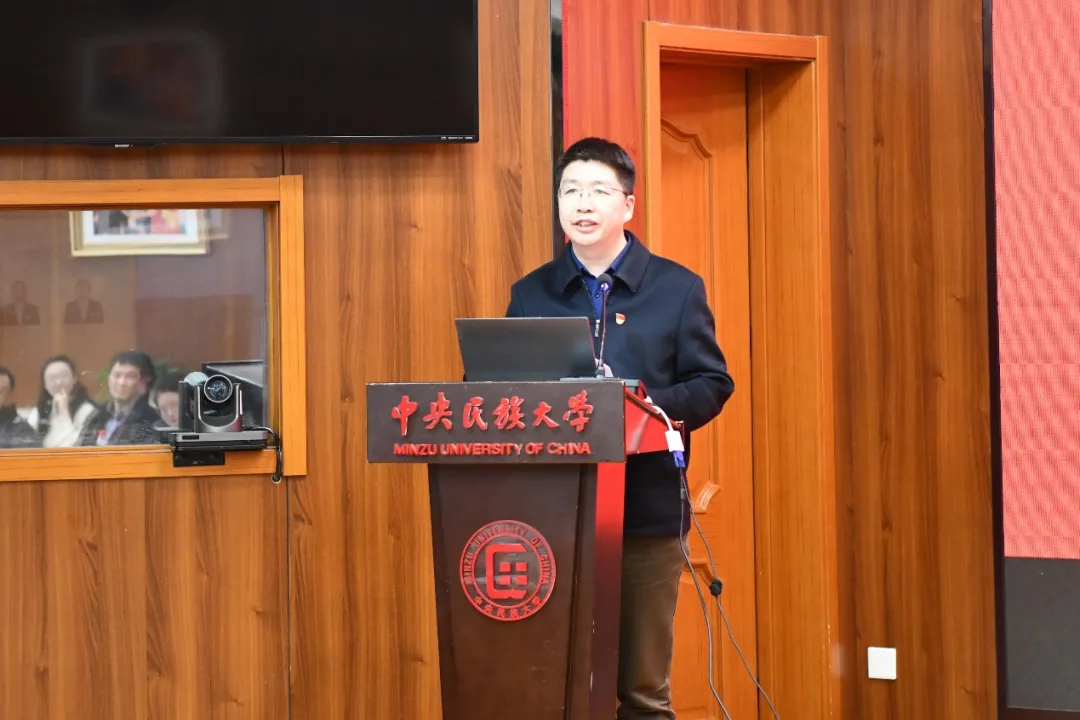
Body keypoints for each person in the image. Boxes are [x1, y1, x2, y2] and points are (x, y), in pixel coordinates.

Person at [505, 137, 735, 719]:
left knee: (643, 692)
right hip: (553, 519)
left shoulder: (677, 289)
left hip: (646, 512)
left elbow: (711, 382)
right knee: (559, 688)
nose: (582, 203)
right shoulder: (530, 294)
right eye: (570, 191)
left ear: (628, 205)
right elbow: (499, 391)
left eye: (598, 191)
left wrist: (638, 407)